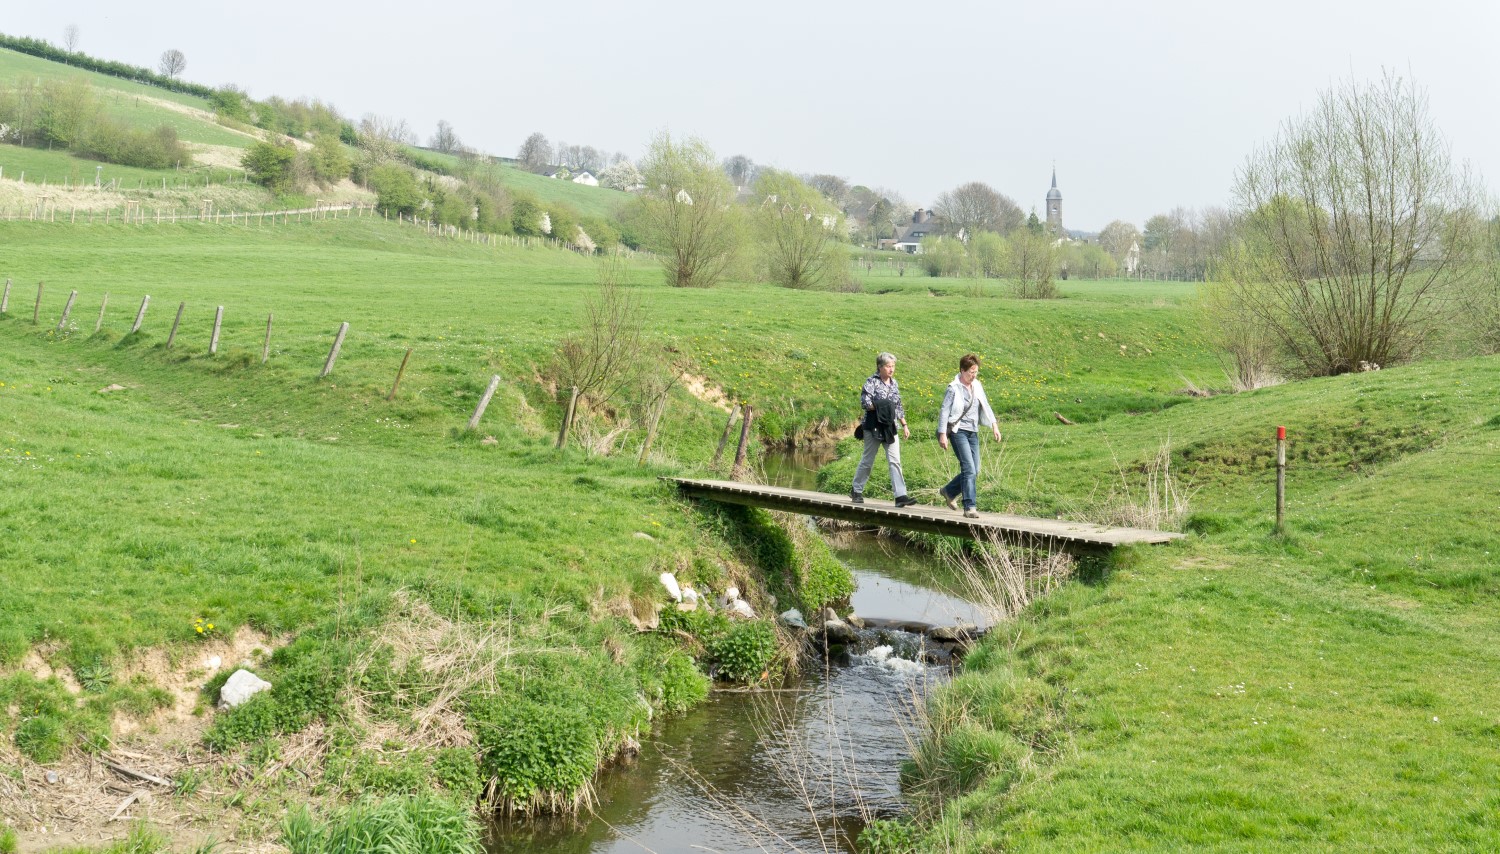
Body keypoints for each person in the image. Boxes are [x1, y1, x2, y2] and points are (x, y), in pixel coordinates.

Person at [936, 353, 1002, 519]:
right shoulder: (953, 388)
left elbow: (985, 404)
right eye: (971, 372)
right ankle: (970, 507)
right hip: (958, 432)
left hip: (973, 431)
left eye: (976, 372)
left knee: (975, 469)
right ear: (962, 370)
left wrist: (995, 426)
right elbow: (944, 411)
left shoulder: (977, 385)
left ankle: (949, 491)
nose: (973, 375)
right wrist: (942, 434)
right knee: (969, 468)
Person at [851, 352, 915, 507]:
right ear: (880, 367)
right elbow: (865, 403)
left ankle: (900, 496)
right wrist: (883, 406)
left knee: (895, 461)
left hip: (890, 427)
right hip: (873, 426)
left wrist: (904, 425)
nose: (891, 369)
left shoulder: (894, 384)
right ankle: (856, 490)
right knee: (868, 460)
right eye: (888, 366)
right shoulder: (871, 382)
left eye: (893, 366)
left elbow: (898, 406)